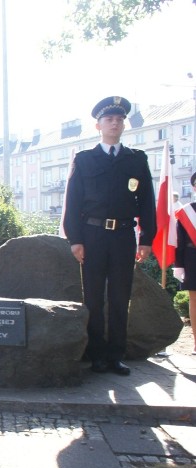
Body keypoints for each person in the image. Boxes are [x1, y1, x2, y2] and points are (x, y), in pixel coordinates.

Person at [63, 96, 156, 376]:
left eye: (119, 119)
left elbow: (147, 201)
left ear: (124, 124)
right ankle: (96, 354)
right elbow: (73, 201)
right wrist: (75, 239)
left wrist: (147, 238)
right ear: (98, 125)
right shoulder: (84, 159)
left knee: (119, 296)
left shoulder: (136, 159)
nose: (115, 123)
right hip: (92, 235)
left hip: (124, 236)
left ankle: (115, 355)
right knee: (93, 297)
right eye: (109, 119)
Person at [173, 172, 196, 353]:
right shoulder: (186, 212)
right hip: (192, 258)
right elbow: (179, 241)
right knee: (195, 300)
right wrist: (178, 264)